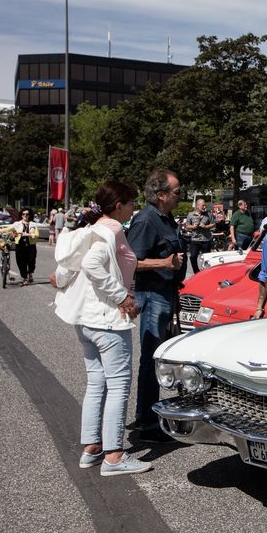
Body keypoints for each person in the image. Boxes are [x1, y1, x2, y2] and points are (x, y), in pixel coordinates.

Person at [52, 181, 151, 475]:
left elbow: (63, 272)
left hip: (85, 319)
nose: (134, 208)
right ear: (119, 205)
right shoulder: (113, 229)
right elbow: (95, 265)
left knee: (97, 383)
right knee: (118, 385)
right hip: (106, 320)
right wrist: (121, 297)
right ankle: (115, 456)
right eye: (132, 203)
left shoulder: (88, 230)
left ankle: (92, 448)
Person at [126, 170, 186, 442]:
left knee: (165, 355)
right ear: (161, 195)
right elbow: (131, 262)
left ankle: (156, 414)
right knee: (151, 358)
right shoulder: (147, 220)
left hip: (167, 294)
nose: (180, 196)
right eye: (176, 192)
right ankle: (147, 423)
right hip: (152, 295)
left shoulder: (164, 217)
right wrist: (164, 263)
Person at [184, 198, 215, 274]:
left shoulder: (208, 214)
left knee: (207, 258)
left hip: (206, 240)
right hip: (195, 240)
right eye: (203, 205)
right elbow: (187, 226)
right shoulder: (190, 214)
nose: (204, 207)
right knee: (193, 257)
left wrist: (205, 226)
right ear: (197, 206)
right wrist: (193, 227)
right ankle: (196, 272)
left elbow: (213, 224)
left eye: (205, 205)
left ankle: (205, 273)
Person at [13, 208, 40, 285]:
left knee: (31, 261)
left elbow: (37, 234)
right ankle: (24, 278)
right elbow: (9, 229)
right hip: (20, 246)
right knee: (21, 262)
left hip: (31, 246)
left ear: (29, 215)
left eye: (27, 214)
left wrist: (29, 234)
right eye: (23, 214)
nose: (25, 215)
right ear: (21, 215)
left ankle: (30, 273)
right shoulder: (17, 224)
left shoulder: (33, 224)